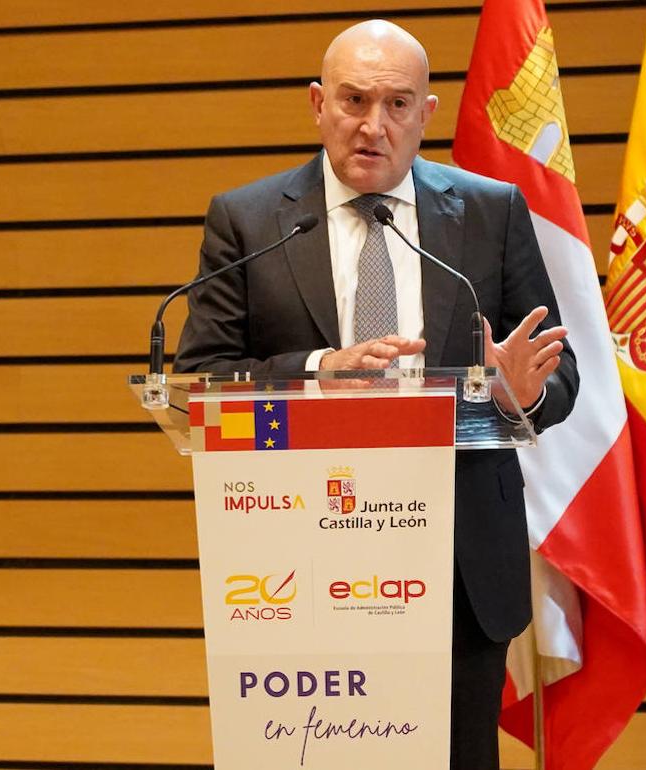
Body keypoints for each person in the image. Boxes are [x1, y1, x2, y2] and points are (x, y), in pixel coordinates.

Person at [173, 19, 578, 769]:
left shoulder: (491, 213)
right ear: (317, 104)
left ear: (427, 113)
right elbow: (202, 377)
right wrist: (319, 368)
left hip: (457, 567)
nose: (372, 125)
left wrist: (521, 393)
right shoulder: (250, 219)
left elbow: (560, 375)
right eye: (354, 99)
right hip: (296, 567)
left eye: (397, 105)